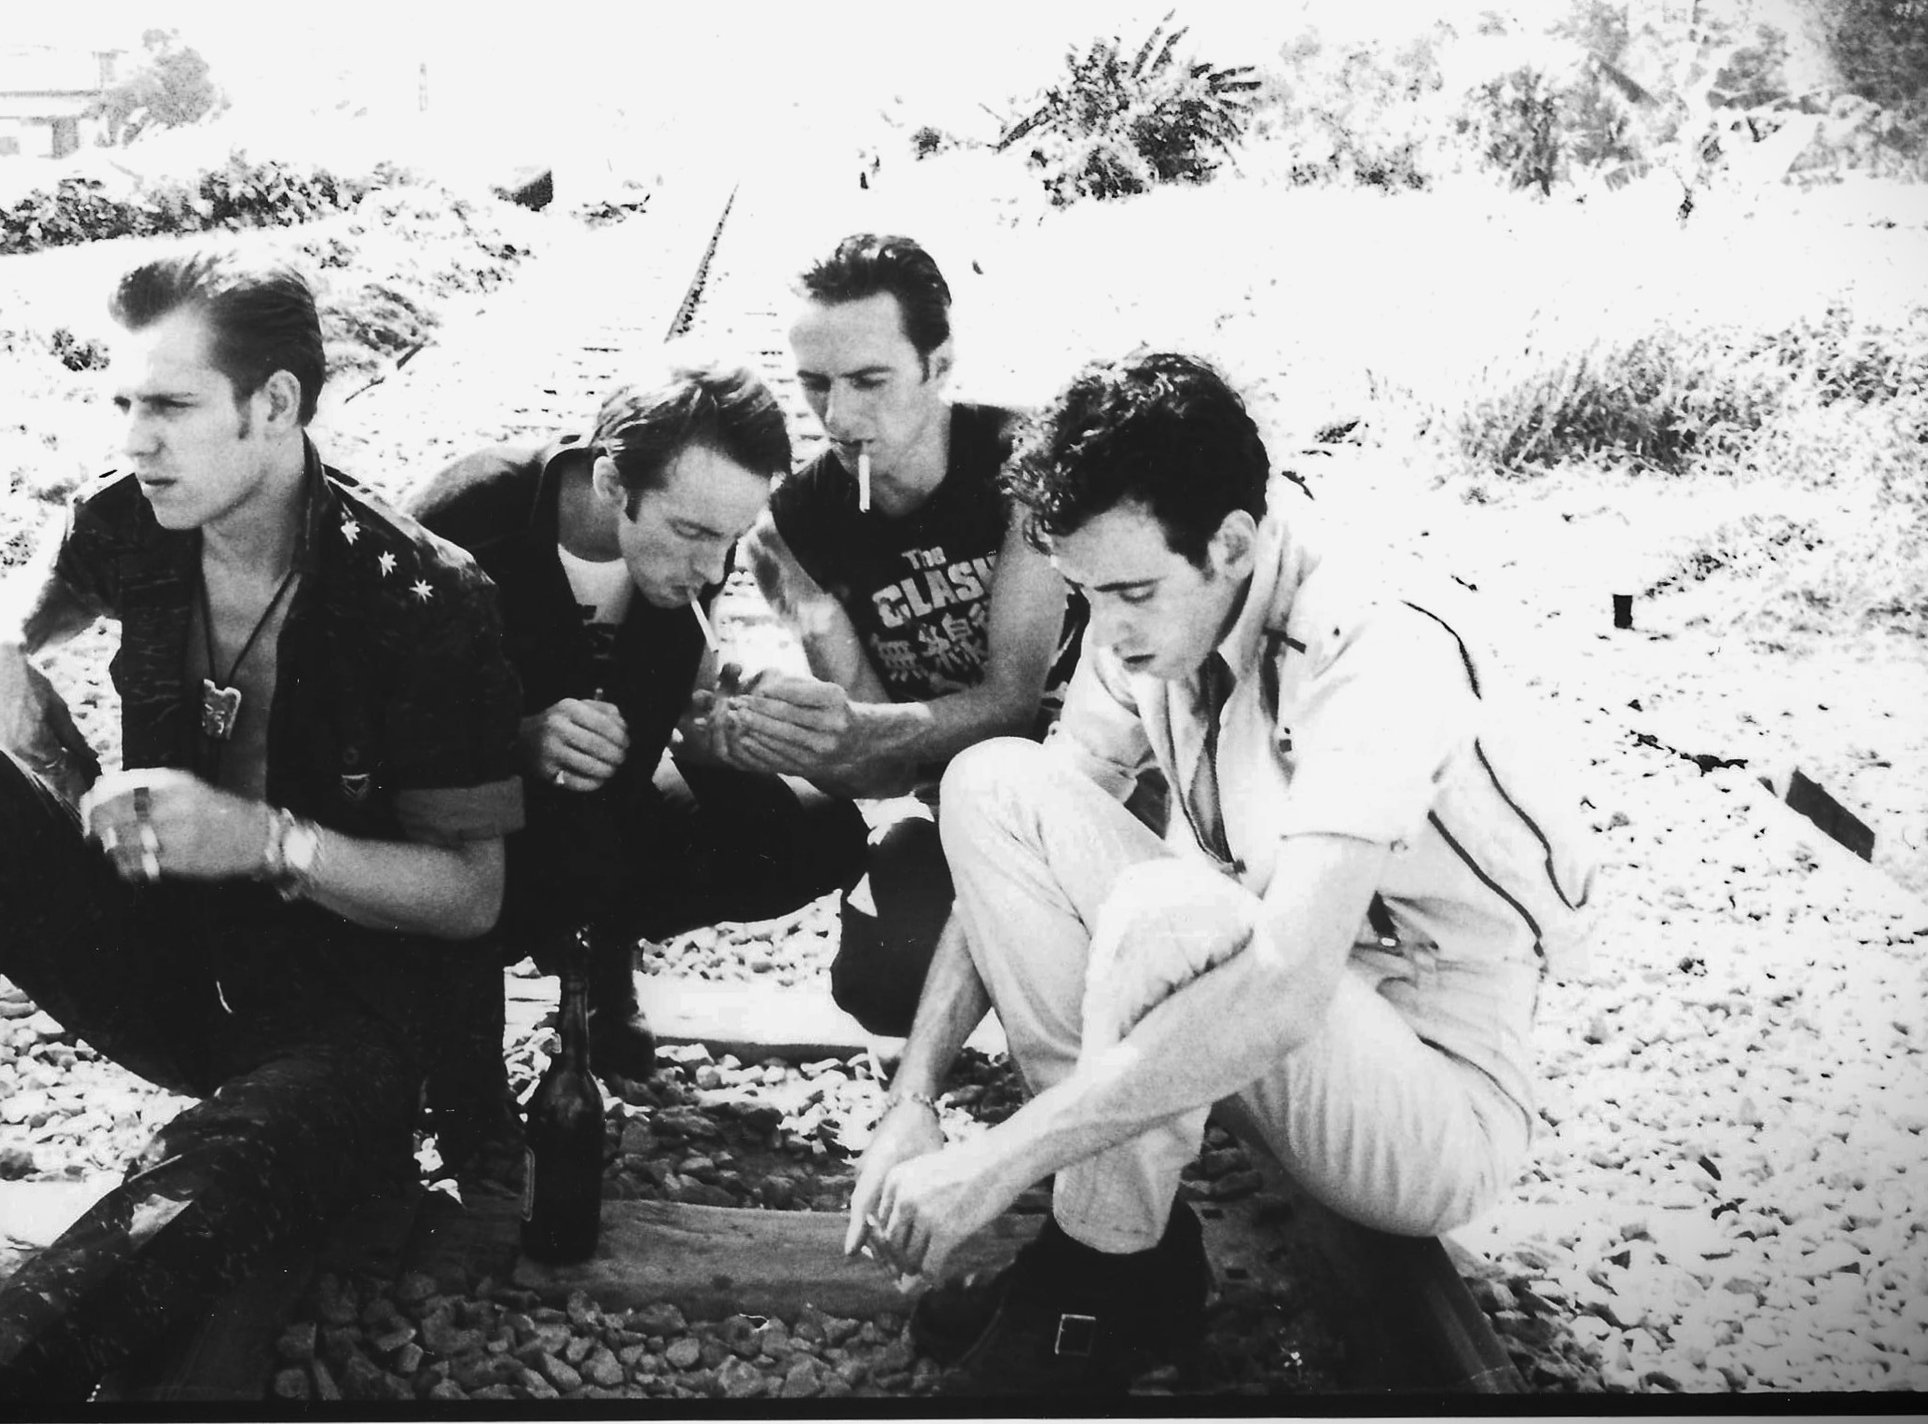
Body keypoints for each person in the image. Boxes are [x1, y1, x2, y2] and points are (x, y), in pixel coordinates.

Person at [0, 243, 525, 1401]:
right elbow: (35, 601)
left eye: (168, 405)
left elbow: (472, 893)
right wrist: (2, 654)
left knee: (194, 1196)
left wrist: (268, 841)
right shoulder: (131, 522)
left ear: (275, 406)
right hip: (176, 960)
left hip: (354, 1022)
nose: (133, 438)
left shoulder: (422, 598)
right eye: (122, 402)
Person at [844, 351, 1591, 1395]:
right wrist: (913, 1096)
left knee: (1169, 909)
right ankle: (1122, 1254)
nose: (1104, 631)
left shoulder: (1375, 650)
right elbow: (1016, 842)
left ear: (1233, 542)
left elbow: (1284, 987)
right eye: (1084, 595)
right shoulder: (1149, 619)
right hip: (1263, 1031)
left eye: (1131, 592)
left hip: (1427, 1093)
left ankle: (1091, 1279)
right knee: (990, 786)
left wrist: (998, 1157)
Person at [403, 354, 870, 1136]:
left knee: (815, 829)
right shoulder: (468, 515)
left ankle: (596, 947)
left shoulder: (697, 544)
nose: (712, 566)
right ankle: (460, 999)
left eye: (730, 539)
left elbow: (686, 687)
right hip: (460, 819)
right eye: (691, 533)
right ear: (615, 486)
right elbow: (357, 724)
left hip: (596, 803)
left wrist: (728, 718)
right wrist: (512, 740)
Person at [734, 233, 1120, 1037]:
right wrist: (783, 733)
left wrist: (862, 729)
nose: (839, 418)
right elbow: (878, 762)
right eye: (814, 386)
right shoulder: (790, 534)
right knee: (882, 981)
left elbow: (1012, 703)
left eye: (870, 382)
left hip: (1110, 786)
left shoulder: (1025, 465)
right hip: (959, 809)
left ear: (939, 366)